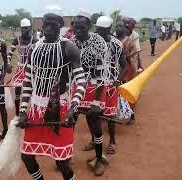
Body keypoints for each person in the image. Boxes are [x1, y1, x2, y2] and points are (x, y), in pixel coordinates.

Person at [16, 6, 86, 180]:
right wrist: (23, 111)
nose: (48, 29)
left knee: (62, 162)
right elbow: (28, 81)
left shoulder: (69, 48)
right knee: (27, 156)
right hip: (37, 108)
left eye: (52, 25)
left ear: (60, 27)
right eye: (45, 25)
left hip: (60, 109)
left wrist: (73, 108)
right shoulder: (36, 48)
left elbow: (81, 81)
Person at [71, 11, 110, 176]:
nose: (78, 30)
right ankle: (64, 157)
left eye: (82, 27)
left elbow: (102, 75)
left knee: (94, 121)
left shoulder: (98, 42)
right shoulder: (70, 42)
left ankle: (100, 159)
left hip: (96, 87)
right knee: (69, 122)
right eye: (76, 27)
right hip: (76, 86)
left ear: (89, 26)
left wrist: (95, 103)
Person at [95, 16, 127, 156]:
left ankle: (112, 141)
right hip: (96, 83)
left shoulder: (116, 44)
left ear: (108, 29)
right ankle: (94, 140)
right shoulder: (94, 43)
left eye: (102, 30)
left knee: (110, 114)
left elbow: (124, 66)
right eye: (98, 30)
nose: (99, 33)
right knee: (95, 114)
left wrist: (117, 82)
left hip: (111, 83)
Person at [7, 18, 37, 117]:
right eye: (22, 28)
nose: (24, 30)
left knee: (32, 92)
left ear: (30, 28)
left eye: (26, 28)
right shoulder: (17, 40)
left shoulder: (34, 40)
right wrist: (8, 63)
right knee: (17, 92)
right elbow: (10, 54)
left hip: (31, 69)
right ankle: (17, 115)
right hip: (20, 69)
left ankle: (32, 114)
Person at [123, 17, 144, 125]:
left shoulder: (134, 36)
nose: (127, 28)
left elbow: (137, 51)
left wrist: (140, 65)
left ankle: (131, 115)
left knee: (130, 89)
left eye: (129, 26)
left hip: (130, 64)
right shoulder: (118, 35)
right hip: (120, 66)